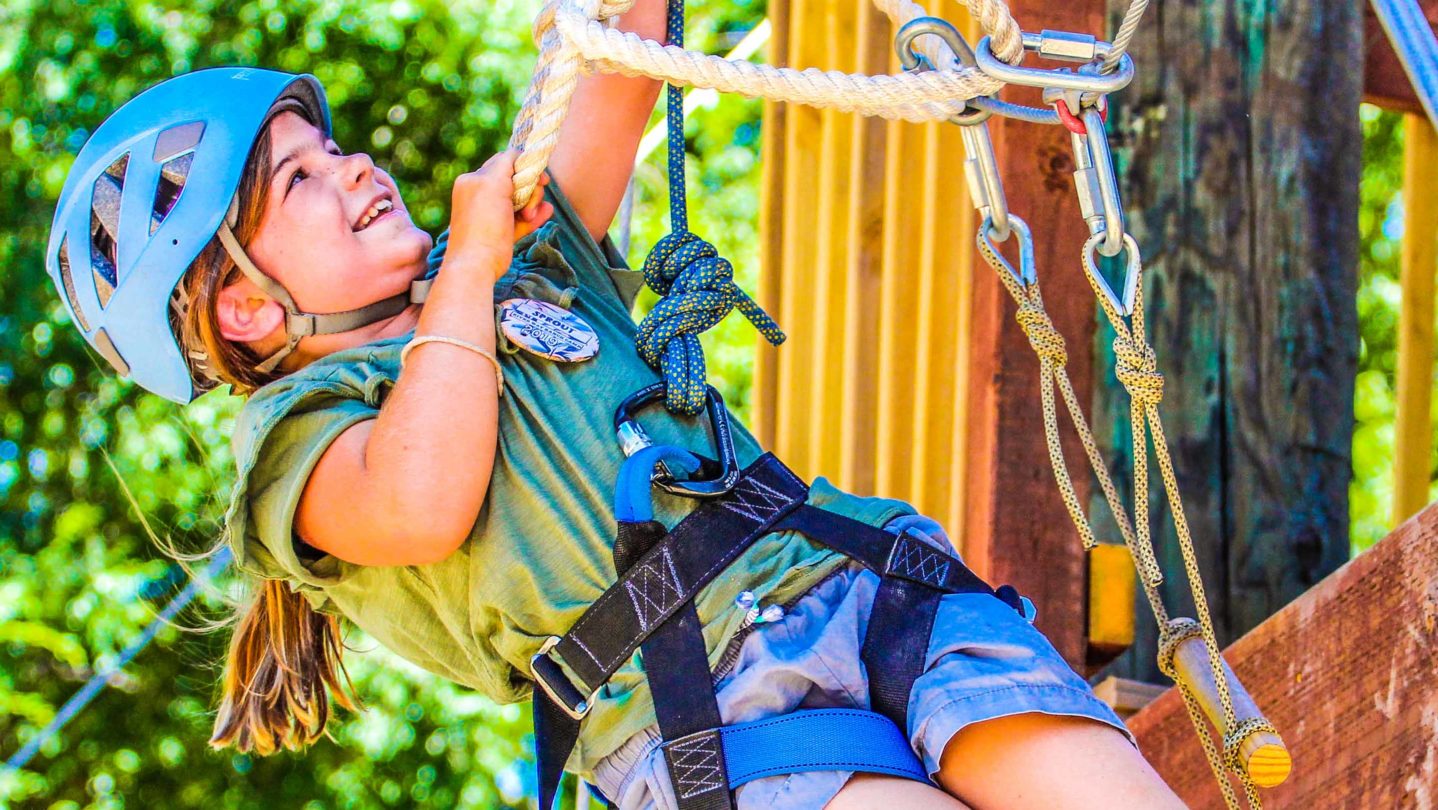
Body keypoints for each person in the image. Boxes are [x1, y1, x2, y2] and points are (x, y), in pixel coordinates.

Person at [45, 4, 1184, 807]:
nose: (351, 168)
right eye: (300, 179)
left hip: (862, 581)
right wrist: (474, 254)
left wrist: (566, 67)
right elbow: (423, 498)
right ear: (244, 312)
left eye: (331, 147)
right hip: (704, 719)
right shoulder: (300, 442)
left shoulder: (526, 261)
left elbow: (622, 61)